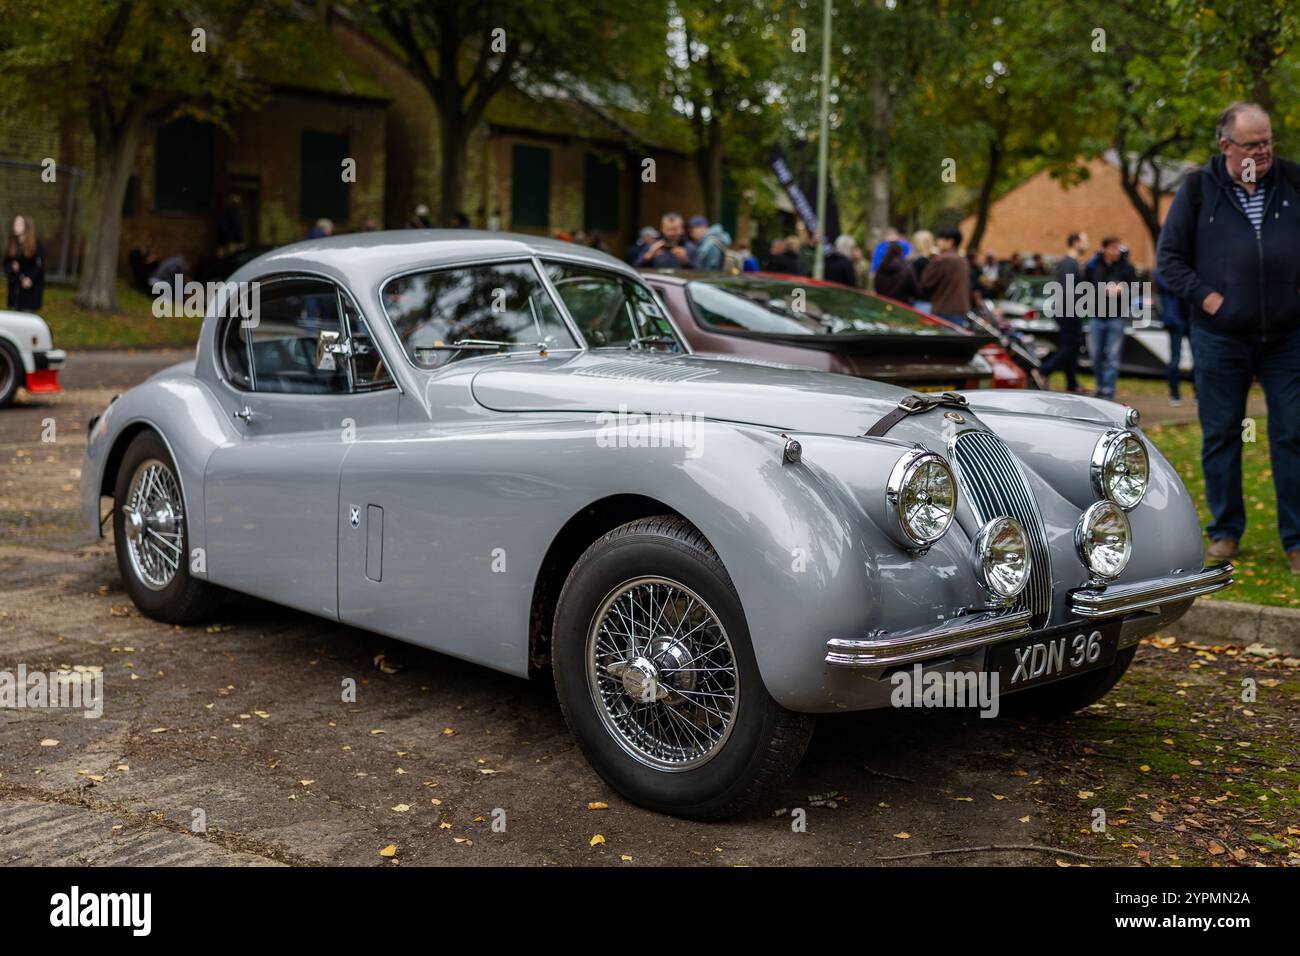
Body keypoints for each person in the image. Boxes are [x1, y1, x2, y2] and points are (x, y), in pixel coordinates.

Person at [1157, 101, 1300, 570]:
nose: (1264, 153)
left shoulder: (1293, 182)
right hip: (1219, 336)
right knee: (1221, 434)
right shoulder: (1198, 190)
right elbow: (1170, 261)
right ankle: (1225, 532)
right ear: (1226, 146)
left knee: (1292, 432)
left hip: (1286, 336)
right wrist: (1211, 299)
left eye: (1268, 142)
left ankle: (1296, 539)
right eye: (1253, 145)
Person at [1084, 236, 1134, 399]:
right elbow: (1085, 287)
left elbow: (1134, 288)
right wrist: (1102, 290)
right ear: (1104, 249)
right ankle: (1100, 385)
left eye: (1118, 248)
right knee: (1096, 354)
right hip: (1097, 316)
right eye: (1113, 248)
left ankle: (1108, 389)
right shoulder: (1094, 265)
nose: (1116, 251)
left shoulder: (1126, 267)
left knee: (1113, 356)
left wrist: (1122, 290)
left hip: (1116, 317)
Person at [1038, 232, 1089, 393]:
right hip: (1067, 310)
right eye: (1084, 241)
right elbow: (1067, 289)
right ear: (1075, 243)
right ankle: (1043, 370)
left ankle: (1072, 384)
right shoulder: (1068, 263)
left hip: (1068, 309)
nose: (1087, 244)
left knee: (1071, 348)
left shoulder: (1072, 263)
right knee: (1071, 346)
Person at [919, 228, 971, 325]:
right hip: (961, 309)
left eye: (941, 239)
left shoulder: (942, 259)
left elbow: (926, 282)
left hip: (944, 308)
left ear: (950, 241)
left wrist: (930, 257)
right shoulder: (963, 260)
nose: (938, 242)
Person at [1153, 269, 1187, 405]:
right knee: (1175, 358)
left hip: (1191, 318)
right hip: (1175, 319)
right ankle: (1175, 394)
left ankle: (1199, 393)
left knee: (1199, 358)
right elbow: (1173, 287)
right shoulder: (1163, 271)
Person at [4, 215, 45, 311]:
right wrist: (11, 267)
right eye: (15, 223)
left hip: (29, 294)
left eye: (19, 224)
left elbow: (39, 266)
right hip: (14, 292)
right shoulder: (12, 243)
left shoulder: (36, 244)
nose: (15, 226)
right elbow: (5, 264)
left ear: (27, 226)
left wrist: (30, 279)